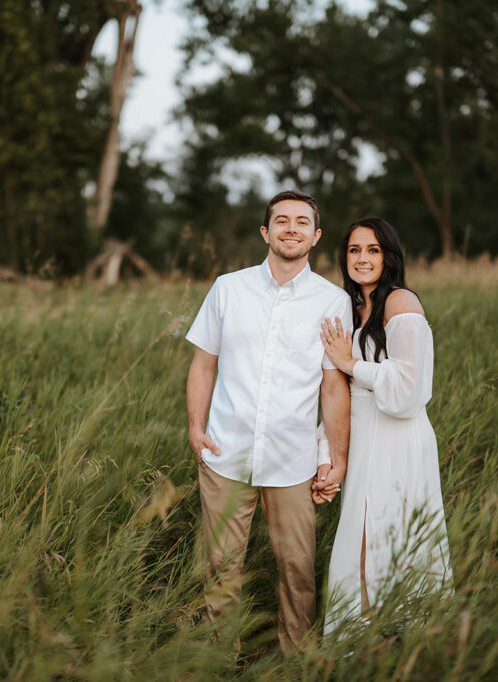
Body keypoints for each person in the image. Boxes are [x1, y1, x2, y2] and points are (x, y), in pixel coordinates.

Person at [185, 190, 352, 654]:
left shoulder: (332, 301)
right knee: (220, 568)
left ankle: (295, 660)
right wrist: (197, 432)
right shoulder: (227, 288)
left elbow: (333, 387)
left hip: (293, 459)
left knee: (298, 570)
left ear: (315, 236)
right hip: (225, 453)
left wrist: (334, 459)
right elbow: (203, 365)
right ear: (266, 231)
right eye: (282, 221)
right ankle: (220, 658)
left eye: (302, 222)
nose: (291, 228)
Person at [317, 217, 451, 634]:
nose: (362, 258)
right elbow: (339, 393)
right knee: (358, 536)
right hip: (363, 442)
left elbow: (411, 391)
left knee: (394, 538)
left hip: (398, 439)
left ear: (389, 256)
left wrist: (351, 363)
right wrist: (327, 456)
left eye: (372, 250)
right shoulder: (352, 309)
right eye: (354, 250)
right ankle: (355, 643)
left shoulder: (401, 303)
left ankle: (407, 640)